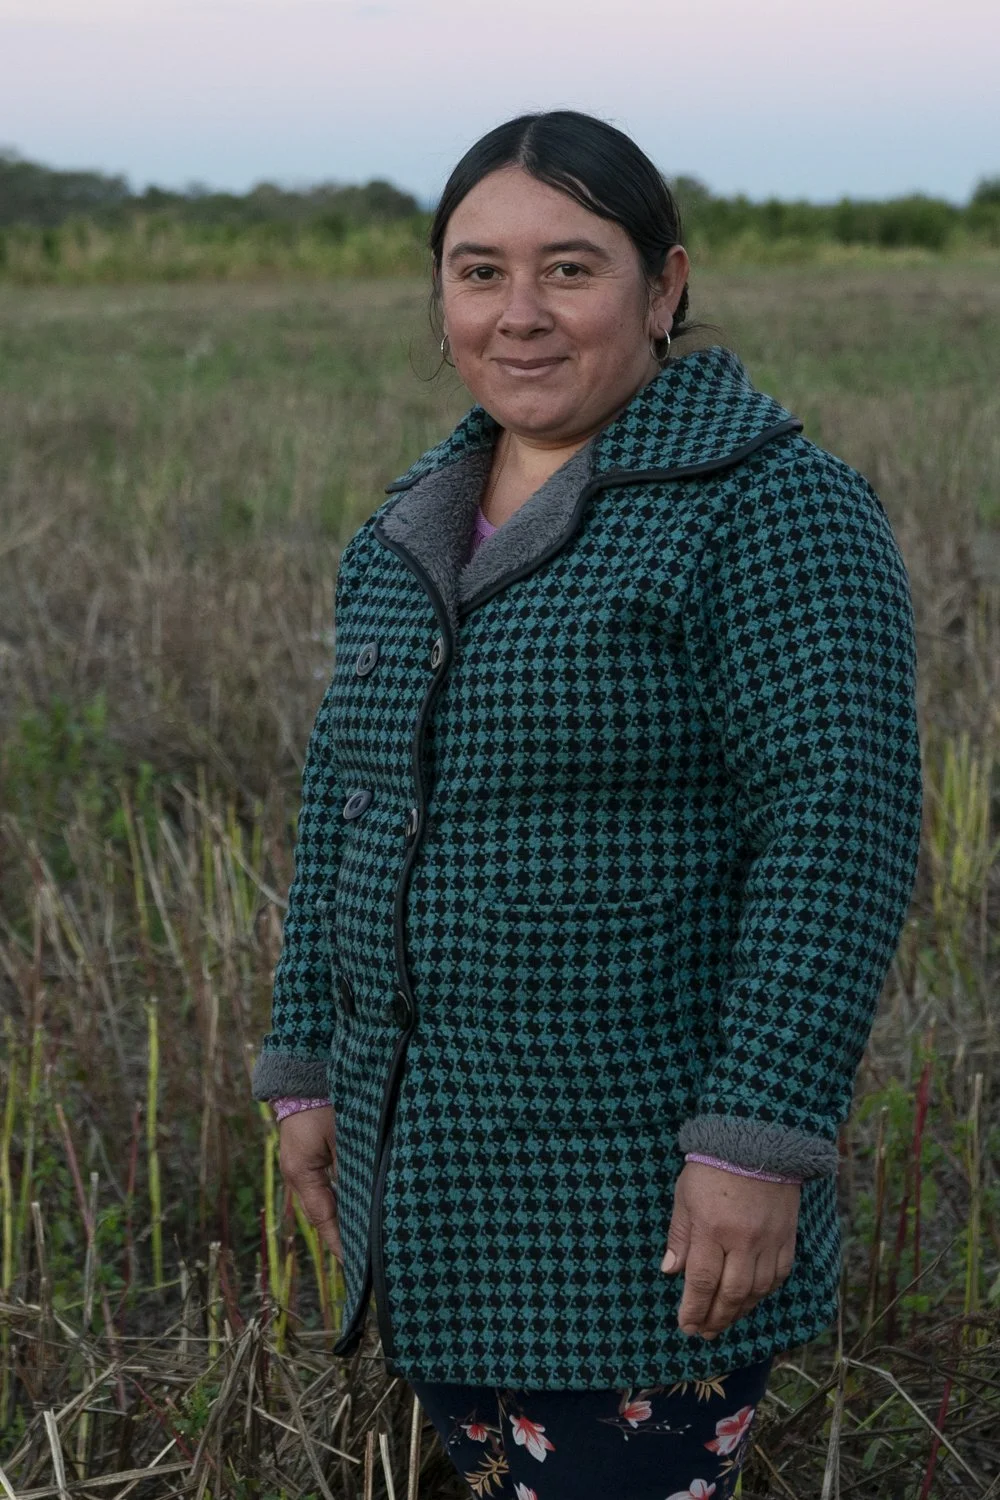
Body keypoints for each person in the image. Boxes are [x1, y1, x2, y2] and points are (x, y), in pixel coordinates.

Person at [252, 110, 924, 1499]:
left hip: (635, 1200)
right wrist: (304, 1063)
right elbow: (345, 804)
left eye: (571, 269)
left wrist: (758, 1140)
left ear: (664, 286)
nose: (520, 316)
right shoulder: (407, 526)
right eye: (479, 271)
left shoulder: (770, 506)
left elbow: (837, 834)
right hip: (428, 1183)